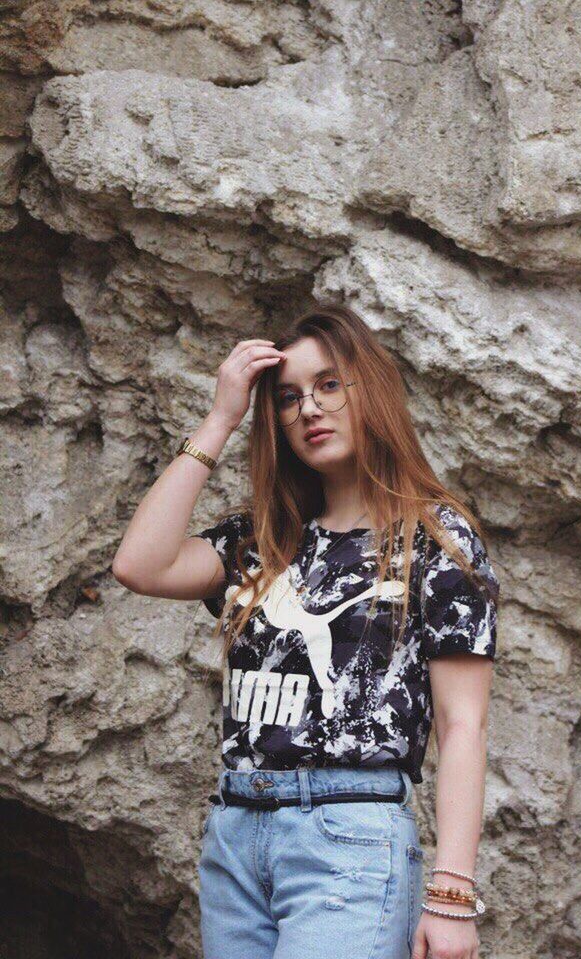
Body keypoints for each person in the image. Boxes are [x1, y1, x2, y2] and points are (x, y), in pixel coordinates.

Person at [112, 303, 500, 959]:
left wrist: (451, 895)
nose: (308, 410)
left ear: (368, 389)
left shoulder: (434, 536)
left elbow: (462, 724)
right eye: (288, 399)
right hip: (236, 835)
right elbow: (138, 565)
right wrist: (222, 417)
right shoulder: (261, 540)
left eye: (327, 385)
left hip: (348, 833)